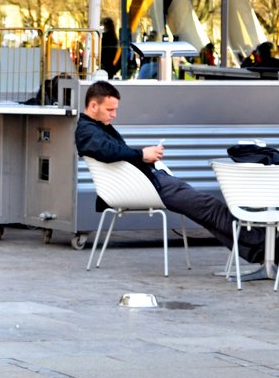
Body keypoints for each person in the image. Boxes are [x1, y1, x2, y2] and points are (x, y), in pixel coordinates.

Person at [76, 80, 266, 263]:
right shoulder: (87, 131)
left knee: (206, 212)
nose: (114, 115)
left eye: (115, 109)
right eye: (110, 110)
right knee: (210, 207)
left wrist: (146, 155)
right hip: (149, 186)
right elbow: (109, 152)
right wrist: (142, 154)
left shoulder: (97, 128)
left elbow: (115, 152)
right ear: (93, 106)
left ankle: (259, 252)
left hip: (150, 181)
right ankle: (266, 244)